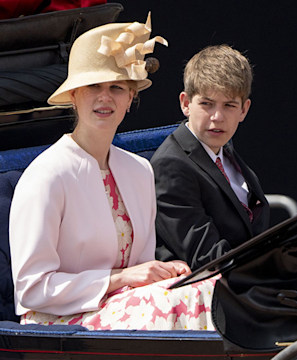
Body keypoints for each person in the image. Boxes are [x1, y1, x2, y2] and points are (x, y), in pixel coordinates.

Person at [10, 14, 216, 330]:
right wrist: (118, 279)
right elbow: (32, 289)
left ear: (131, 97)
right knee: (174, 301)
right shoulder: (46, 175)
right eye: (93, 85)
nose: (105, 97)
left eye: (117, 87)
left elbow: (140, 271)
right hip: (58, 321)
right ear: (74, 96)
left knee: (209, 287)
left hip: (127, 306)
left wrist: (161, 271)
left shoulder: (139, 170)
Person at [151, 45, 269, 270]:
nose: (217, 117)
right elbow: (207, 257)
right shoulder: (170, 166)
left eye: (229, 105)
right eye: (206, 104)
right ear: (186, 103)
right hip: (207, 291)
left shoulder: (226, 153)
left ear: (243, 110)